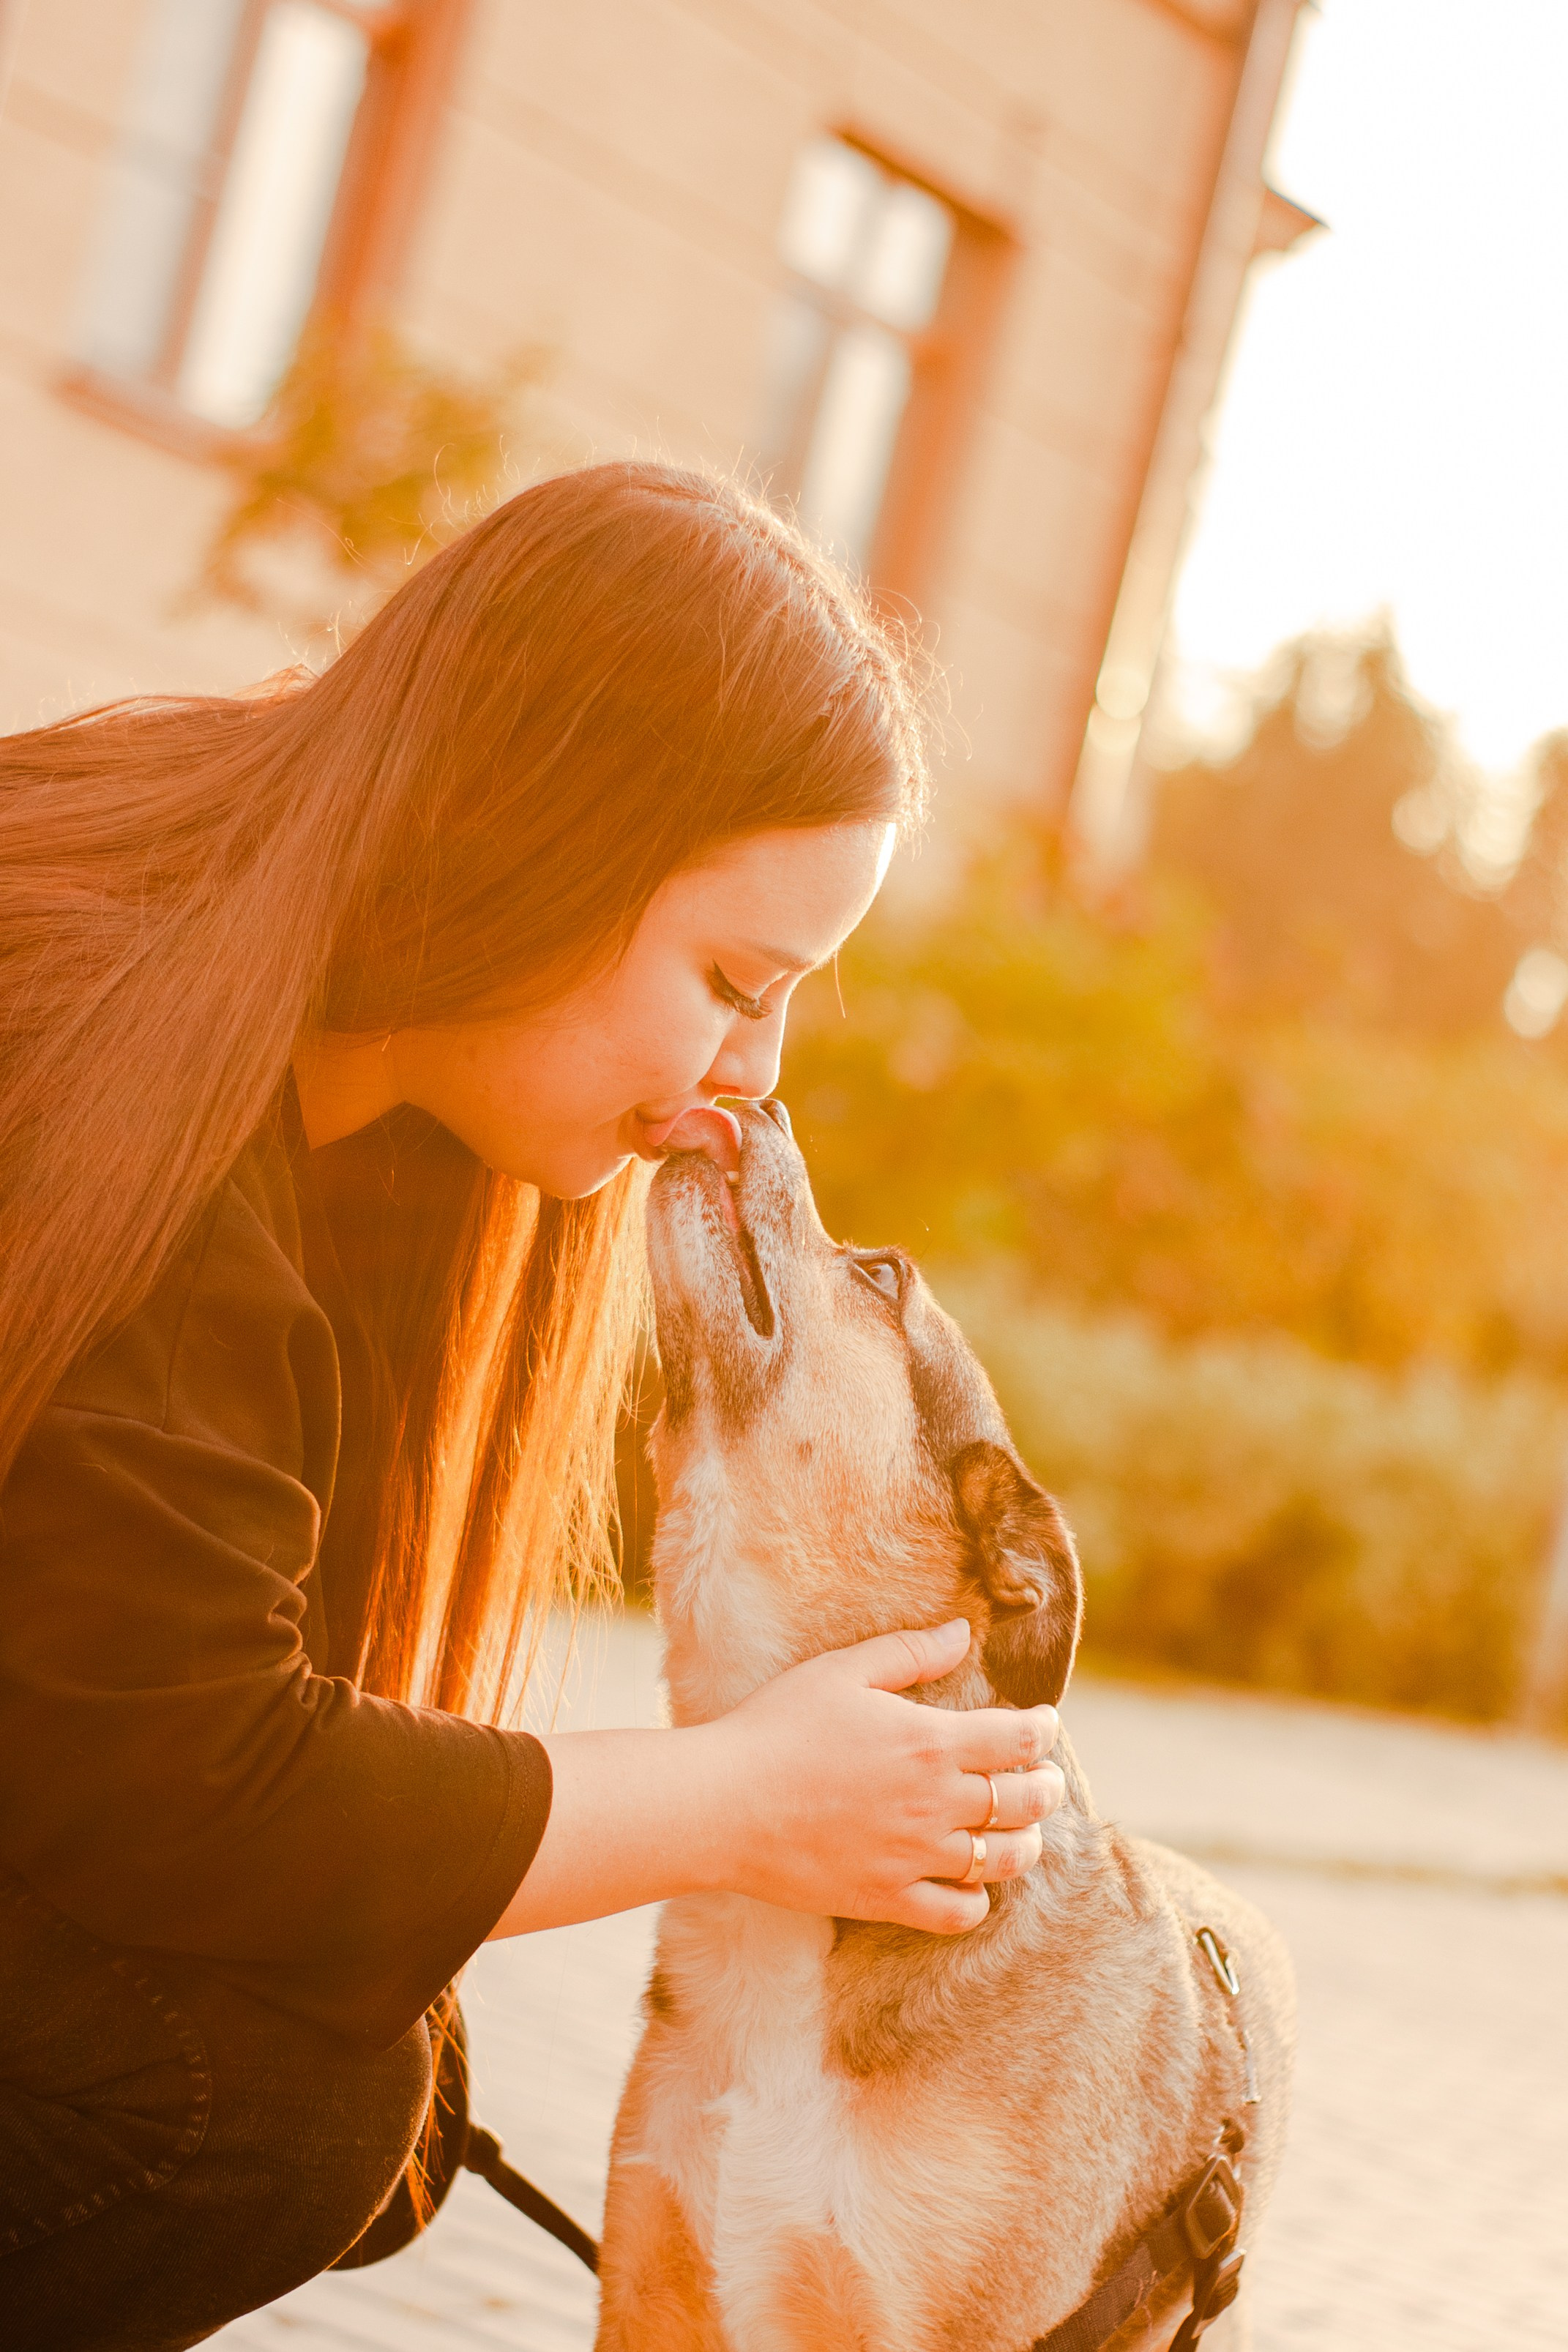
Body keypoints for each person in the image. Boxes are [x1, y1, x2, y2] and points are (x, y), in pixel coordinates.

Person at [0, 463, 1064, 2349]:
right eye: (737, 979)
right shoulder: (112, 1075)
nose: (749, 1083)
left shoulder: (328, 1109)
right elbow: (180, 1794)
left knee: (359, 2059)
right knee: (251, 2102)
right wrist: (750, 1799)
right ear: (538, 829)